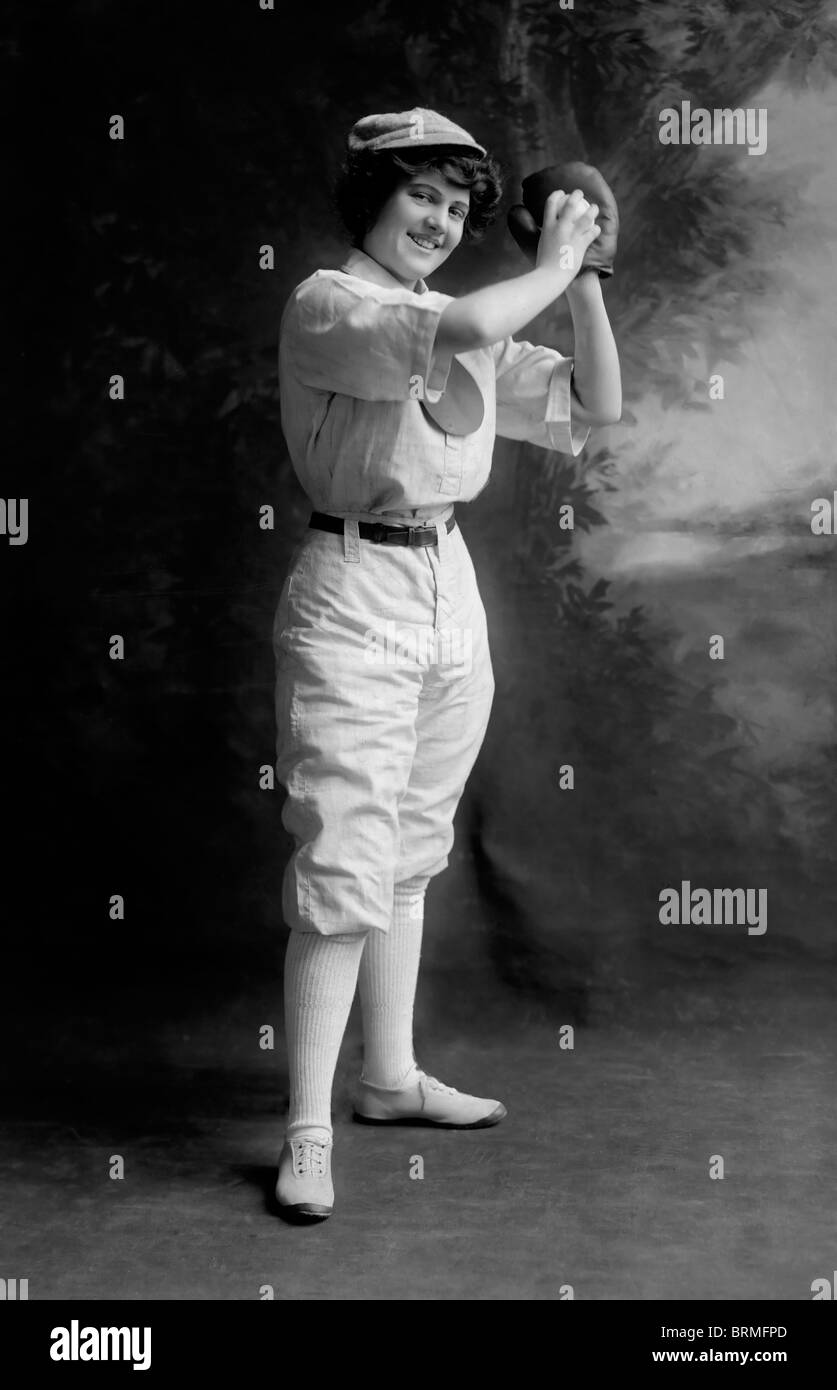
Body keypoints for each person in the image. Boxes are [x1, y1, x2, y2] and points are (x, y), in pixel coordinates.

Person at [273, 107, 621, 1220]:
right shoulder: (333, 304)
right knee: (342, 861)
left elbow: (594, 403)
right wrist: (554, 257)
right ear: (371, 195)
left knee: (413, 849)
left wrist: (588, 275)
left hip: (445, 589)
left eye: (459, 206)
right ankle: (309, 1130)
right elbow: (468, 326)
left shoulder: (453, 318)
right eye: (420, 193)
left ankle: (386, 1078)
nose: (440, 218)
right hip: (353, 588)